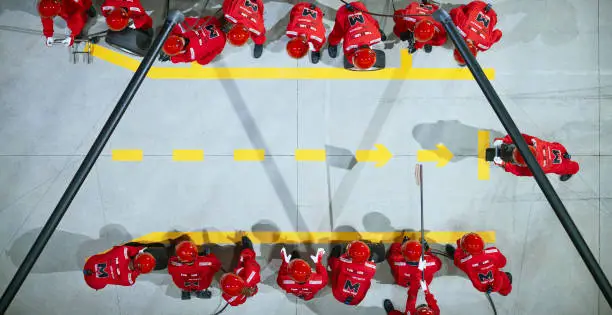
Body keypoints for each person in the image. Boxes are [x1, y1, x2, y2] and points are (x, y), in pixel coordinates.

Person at [491, 133, 580, 181]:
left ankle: (504, 141)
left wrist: (504, 163)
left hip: (547, 150)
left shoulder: (562, 149)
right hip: (548, 157)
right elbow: (521, 137)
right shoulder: (563, 168)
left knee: (573, 168)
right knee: (523, 171)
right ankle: (505, 161)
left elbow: (556, 143)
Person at [446, 233, 512, 296]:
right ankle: (506, 291)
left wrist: (459, 247)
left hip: (481, 286)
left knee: (499, 277)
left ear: (465, 251)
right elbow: (503, 263)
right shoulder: (492, 253)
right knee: (502, 276)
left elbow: (457, 260)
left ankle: (503, 287)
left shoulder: (465, 262)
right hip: (495, 282)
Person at [327, 1, 385, 70]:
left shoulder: (377, 37)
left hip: (359, 7)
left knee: (371, 21)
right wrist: (354, 60)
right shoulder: (349, 44)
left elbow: (373, 25)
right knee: (337, 33)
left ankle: (333, 43)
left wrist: (379, 32)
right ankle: (332, 44)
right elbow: (348, 55)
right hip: (344, 12)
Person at [449, 1, 502, 66]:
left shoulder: (485, 45)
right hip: (477, 4)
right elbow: (455, 11)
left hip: (492, 15)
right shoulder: (460, 29)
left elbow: (498, 33)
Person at [83, 244, 156, 290]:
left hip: (90, 264)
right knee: (103, 282)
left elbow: (137, 250)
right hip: (93, 283)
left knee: (101, 257)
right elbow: (134, 275)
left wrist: (139, 249)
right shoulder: (128, 280)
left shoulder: (122, 250)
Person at [160, 16, 226, 66]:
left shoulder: (190, 55)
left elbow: (180, 58)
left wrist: (171, 58)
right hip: (212, 23)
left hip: (222, 40)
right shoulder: (181, 27)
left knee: (202, 62)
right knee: (203, 20)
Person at [328, 240, 377, 305]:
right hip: (356, 301)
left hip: (338, 296)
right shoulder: (372, 268)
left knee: (336, 252)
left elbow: (333, 263)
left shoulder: (342, 262)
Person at [220, 236, 261, 306]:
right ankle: (248, 246)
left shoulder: (235, 299)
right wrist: (247, 249)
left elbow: (232, 299)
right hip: (246, 271)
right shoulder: (252, 274)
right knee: (247, 256)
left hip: (246, 284)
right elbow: (250, 260)